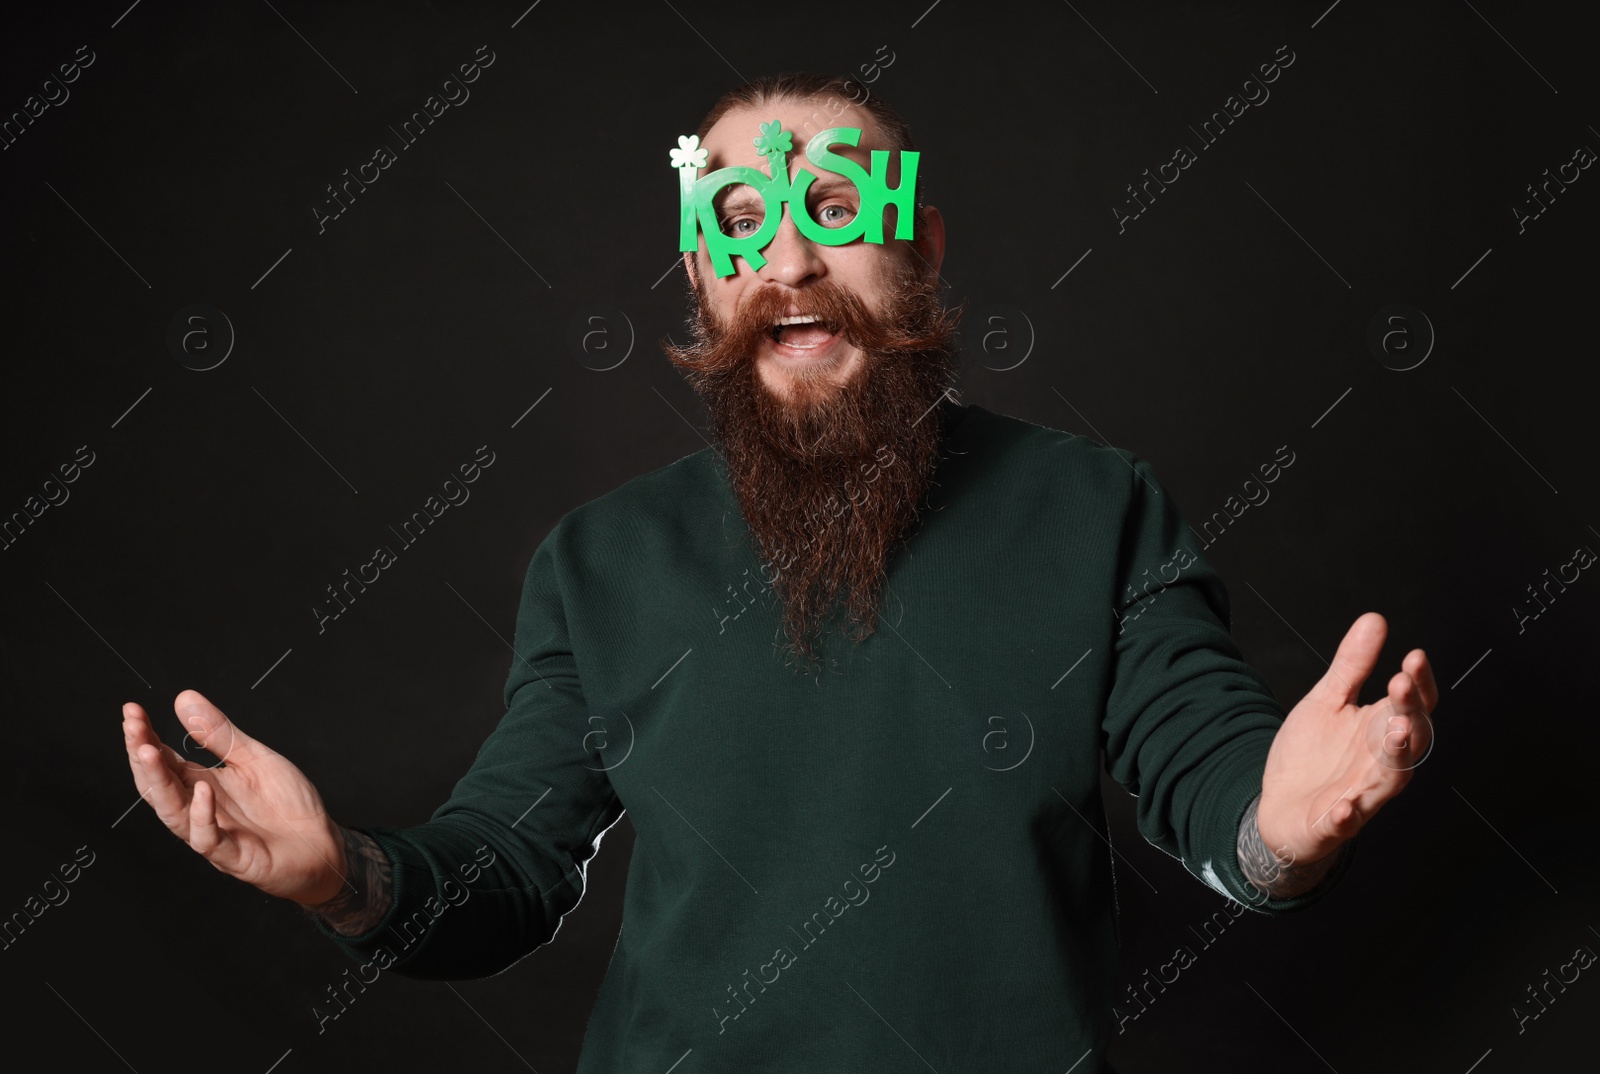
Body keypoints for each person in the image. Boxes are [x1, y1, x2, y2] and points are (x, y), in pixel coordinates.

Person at [120, 72, 1438, 1071]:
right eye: (743, 219)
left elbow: (1215, 788)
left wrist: (1283, 827)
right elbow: (510, 869)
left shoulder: (1098, 508)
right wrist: (339, 871)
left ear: (917, 249)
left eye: (838, 210)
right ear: (702, 269)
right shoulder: (600, 560)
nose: (794, 259)